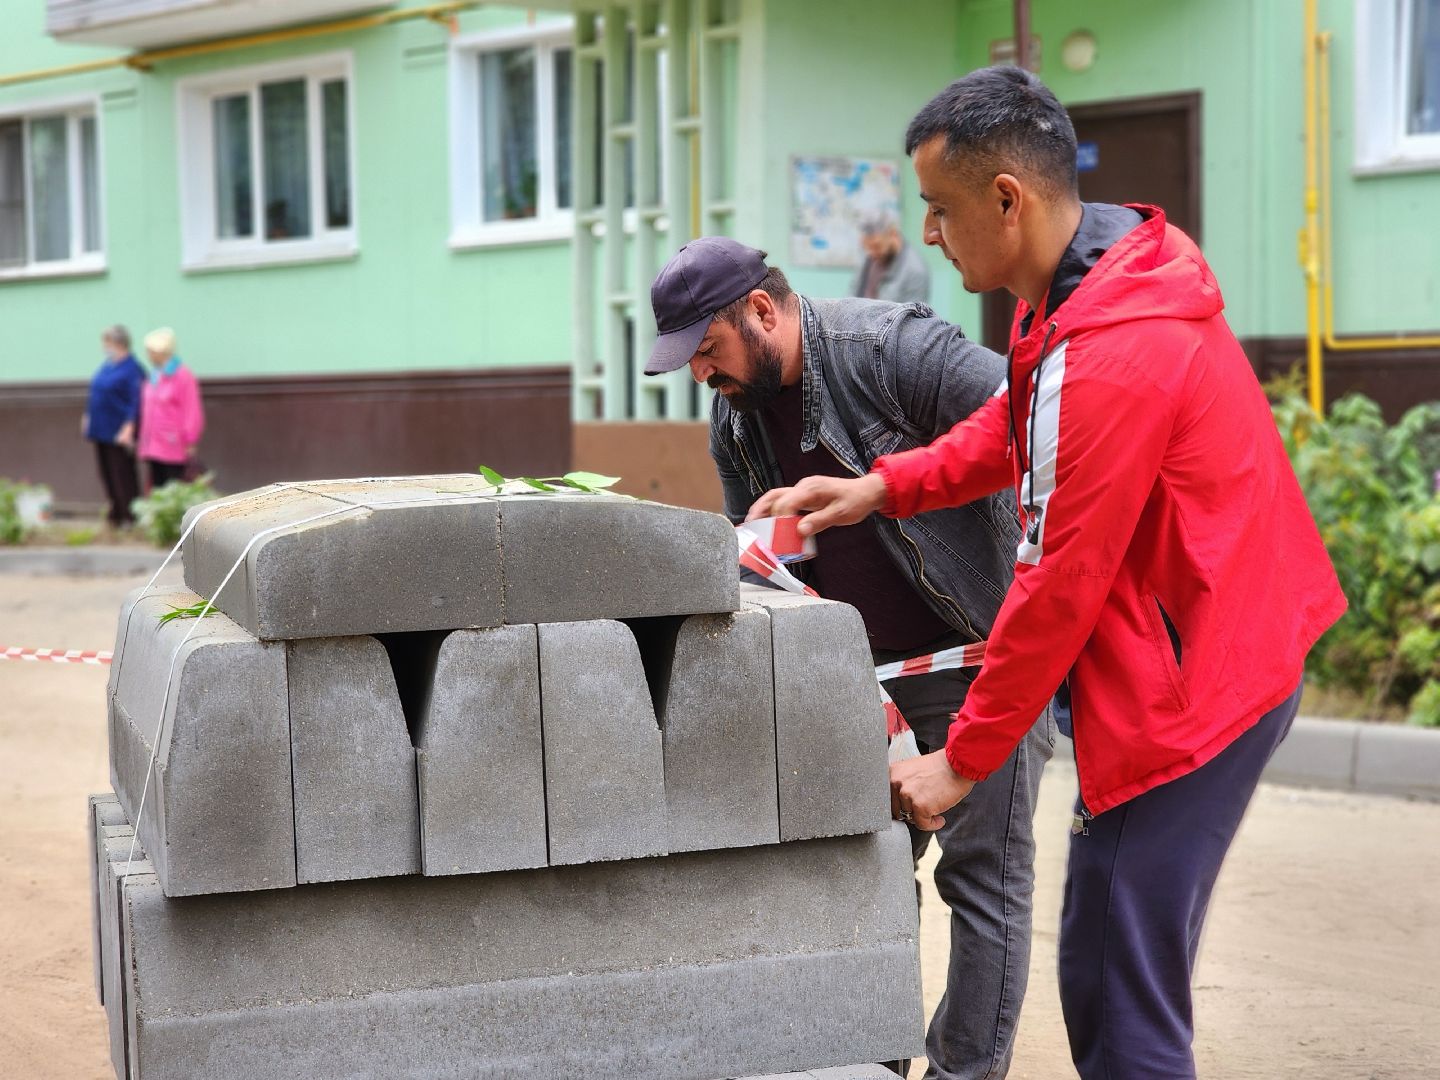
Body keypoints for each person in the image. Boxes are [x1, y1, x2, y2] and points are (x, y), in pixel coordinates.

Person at [753, 67, 1347, 1080]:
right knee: (1105, 974)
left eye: (939, 211)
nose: (928, 236)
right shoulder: (1073, 292)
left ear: (1006, 200)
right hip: (1207, 649)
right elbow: (1014, 427)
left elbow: (1055, 579)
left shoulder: (1112, 347)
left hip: (1196, 691)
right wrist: (880, 489)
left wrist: (964, 758)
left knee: (1119, 1002)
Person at [645, 235, 1054, 1080]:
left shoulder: (894, 348)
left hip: (982, 656)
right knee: (862, 882)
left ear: (761, 310)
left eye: (708, 350)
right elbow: (769, 568)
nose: (702, 376)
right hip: (861, 680)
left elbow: (1035, 417)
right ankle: (867, 1068)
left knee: (982, 886)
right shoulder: (736, 416)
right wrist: (765, 551)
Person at [82, 324, 145, 528]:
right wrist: (88, 416)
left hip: (119, 431)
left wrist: (129, 427)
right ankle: (116, 513)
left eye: (107, 343)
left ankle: (130, 516)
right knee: (107, 473)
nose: (105, 347)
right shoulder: (108, 365)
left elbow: (136, 401)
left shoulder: (132, 368)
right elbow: (96, 391)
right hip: (101, 429)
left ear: (119, 343)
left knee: (123, 474)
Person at [137, 327, 204, 490]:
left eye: (151, 351)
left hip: (173, 444)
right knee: (157, 489)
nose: (148, 355)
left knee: (174, 488)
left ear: (162, 352)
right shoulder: (154, 375)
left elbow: (192, 410)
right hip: (153, 444)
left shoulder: (182, 375)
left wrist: (190, 439)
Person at [852, 216, 931, 304]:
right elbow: (853, 293)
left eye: (876, 246)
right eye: (867, 247)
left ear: (893, 234)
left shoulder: (915, 271)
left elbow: (913, 315)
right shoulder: (871, 256)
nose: (871, 253)